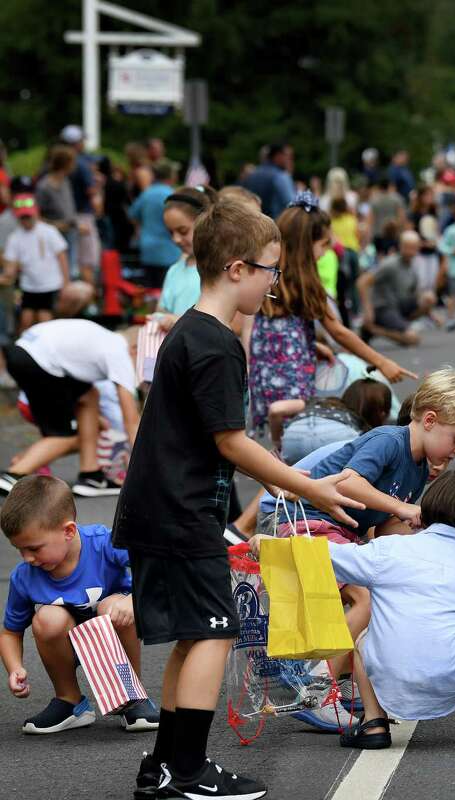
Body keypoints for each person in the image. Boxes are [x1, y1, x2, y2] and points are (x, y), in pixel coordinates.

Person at [110, 197, 365, 799]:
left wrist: (278, 480)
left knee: (199, 634)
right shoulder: (217, 342)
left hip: (161, 507)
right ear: (236, 269)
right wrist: (311, 487)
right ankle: (190, 771)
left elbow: (214, 438)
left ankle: (165, 766)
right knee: (216, 632)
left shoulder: (194, 333)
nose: (275, 284)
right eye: (271, 271)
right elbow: (230, 440)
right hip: (181, 510)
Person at [252, 469, 455, 749]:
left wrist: (275, 545)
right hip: (451, 676)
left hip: (388, 674)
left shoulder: (390, 550)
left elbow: (329, 556)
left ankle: (374, 723)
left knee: (365, 639)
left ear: (426, 516)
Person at [1, 476, 159, 735]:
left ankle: (133, 695)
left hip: (115, 630)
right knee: (46, 619)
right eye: (19, 550)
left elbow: (155, 566)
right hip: (66, 643)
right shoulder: (25, 576)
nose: (27, 558)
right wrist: (15, 668)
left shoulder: (102, 543)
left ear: (68, 531)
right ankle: (70, 702)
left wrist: (134, 600)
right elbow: (10, 632)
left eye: (34, 548)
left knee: (112, 607)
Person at [247, 192, 415, 436]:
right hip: (293, 371)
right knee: (297, 430)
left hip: (265, 370)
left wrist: (312, 344)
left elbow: (277, 330)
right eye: (324, 244)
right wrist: (381, 362)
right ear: (306, 244)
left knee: (282, 430)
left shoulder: (269, 275)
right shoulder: (307, 282)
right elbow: (338, 331)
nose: (326, 252)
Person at [0, 318, 141, 496]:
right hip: (39, 360)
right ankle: (15, 474)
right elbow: (132, 422)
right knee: (66, 437)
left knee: (89, 396)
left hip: (24, 351)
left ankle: (91, 475)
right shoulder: (119, 352)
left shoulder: (106, 339)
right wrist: (145, 469)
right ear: (136, 349)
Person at [277, 378, 393, 465]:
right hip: (338, 435)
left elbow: (276, 409)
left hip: (295, 434)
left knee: (283, 483)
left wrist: (277, 441)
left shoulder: (321, 401)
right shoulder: (360, 425)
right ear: (382, 412)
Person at [1, 193, 69, 331]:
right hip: (29, 286)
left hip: (49, 284)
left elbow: (61, 256)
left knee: (44, 319)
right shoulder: (15, 238)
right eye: (22, 217)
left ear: (35, 213)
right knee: (26, 320)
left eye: (28, 216)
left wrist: (65, 282)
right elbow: (11, 265)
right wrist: (7, 275)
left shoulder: (48, 231)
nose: (26, 220)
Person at [358, 231, 436, 347]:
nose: (411, 252)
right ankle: (374, 329)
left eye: (414, 248)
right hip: (384, 308)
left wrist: (431, 314)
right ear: (401, 247)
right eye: (408, 248)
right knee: (413, 339)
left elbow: (415, 294)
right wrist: (368, 310)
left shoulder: (411, 266)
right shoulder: (390, 264)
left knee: (429, 298)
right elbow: (362, 282)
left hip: (399, 305)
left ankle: (400, 325)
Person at [155, 186, 216, 329]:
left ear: (205, 223)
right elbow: (161, 311)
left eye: (183, 231)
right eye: (171, 232)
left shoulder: (219, 270)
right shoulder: (175, 270)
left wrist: (177, 322)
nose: (176, 239)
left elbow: (233, 324)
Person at [127, 162, 181, 288]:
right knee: (168, 289)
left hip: (148, 249)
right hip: (169, 251)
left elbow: (132, 215)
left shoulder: (147, 193)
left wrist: (141, 228)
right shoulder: (172, 194)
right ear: (171, 176)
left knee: (150, 290)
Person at [60, 126, 100, 284]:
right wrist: (98, 183)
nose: (83, 143)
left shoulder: (56, 161)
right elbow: (91, 191)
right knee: (87, 261)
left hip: (68, 217)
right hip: (83, 217)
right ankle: (87, 303)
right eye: (81, 140)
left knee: (71, 260)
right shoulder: (81, 164)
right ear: (75, 143)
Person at [241, 144, 295, 219]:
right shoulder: (281, 176)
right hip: (274, 226)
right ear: (278, 156)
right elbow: (292, 204)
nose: (290, 160)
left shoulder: (252, 174)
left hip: (253, 223)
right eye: (288, 156)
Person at [368, 178, 406, 253]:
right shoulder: (397, 199)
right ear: (389, 185)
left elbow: (370, 219)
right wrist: (401, 230)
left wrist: (369, 234)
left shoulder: (374, 200)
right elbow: (401, 217)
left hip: (378, 234)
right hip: (393, 234)